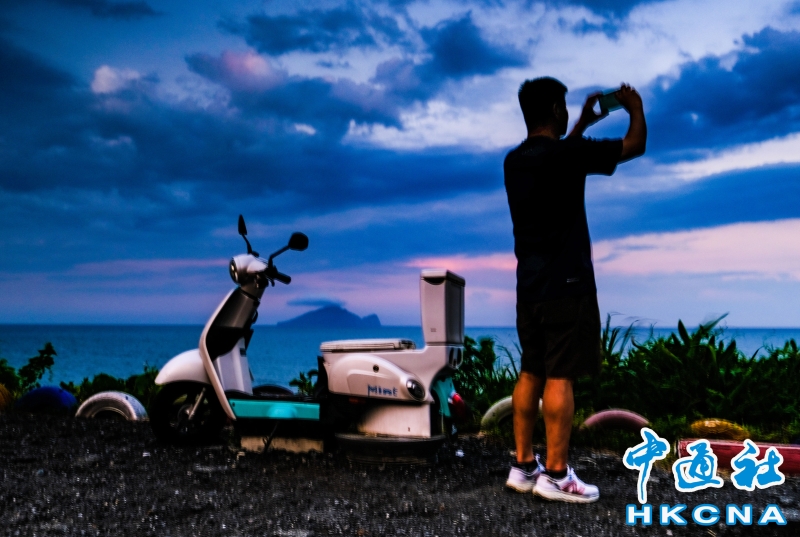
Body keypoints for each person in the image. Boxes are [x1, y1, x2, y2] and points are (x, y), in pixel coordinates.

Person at [503, 77, 646, 503]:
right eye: (563, 107)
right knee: (560, 375)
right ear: (554, 110)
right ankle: (556, 474)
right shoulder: (569, 155)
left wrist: (581, 123)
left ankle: (523, 466)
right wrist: (634, 107)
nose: (567, 113)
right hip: (567, 285)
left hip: (529, 287)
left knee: (531, 371)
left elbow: (555, 152)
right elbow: (634, 146)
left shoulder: (514, 162)